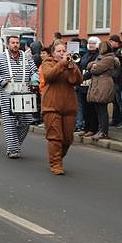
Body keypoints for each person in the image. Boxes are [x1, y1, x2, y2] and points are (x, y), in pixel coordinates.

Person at [0, 35, 37, 158]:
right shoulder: (0, 58)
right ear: (7, 45)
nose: (15, 45)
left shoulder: (27, 58)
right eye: (13, 43)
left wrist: (35, 80)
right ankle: (13, 150)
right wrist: (1, 81)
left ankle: (15, 145)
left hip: (24, 93)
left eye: (17, 43)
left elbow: (35, 71)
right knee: (10, 122)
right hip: (7, 94)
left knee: (26, 121)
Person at [40, 41, 83, 175]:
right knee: (55, 137)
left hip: (69, 107)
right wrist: (62, 63)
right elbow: (49, 76)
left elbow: (77, 80)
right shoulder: (47, 63)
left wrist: (72, 66)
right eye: (59, 51)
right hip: (51, 106)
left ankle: (56, 157)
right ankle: (56, 164)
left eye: (64, 51)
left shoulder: (69, 64)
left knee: (68, 139)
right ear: (53, 53)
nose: (62, 53)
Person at [86, 40, 119, 140]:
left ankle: (103, 131)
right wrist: (93, 64)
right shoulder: (101, 58)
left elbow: (96, 69)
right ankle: (101, 130)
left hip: (103, 85)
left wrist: (94, 65)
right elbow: (89, 65)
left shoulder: (108, 59)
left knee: (102, 109)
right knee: (98, 109)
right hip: (98, 84)